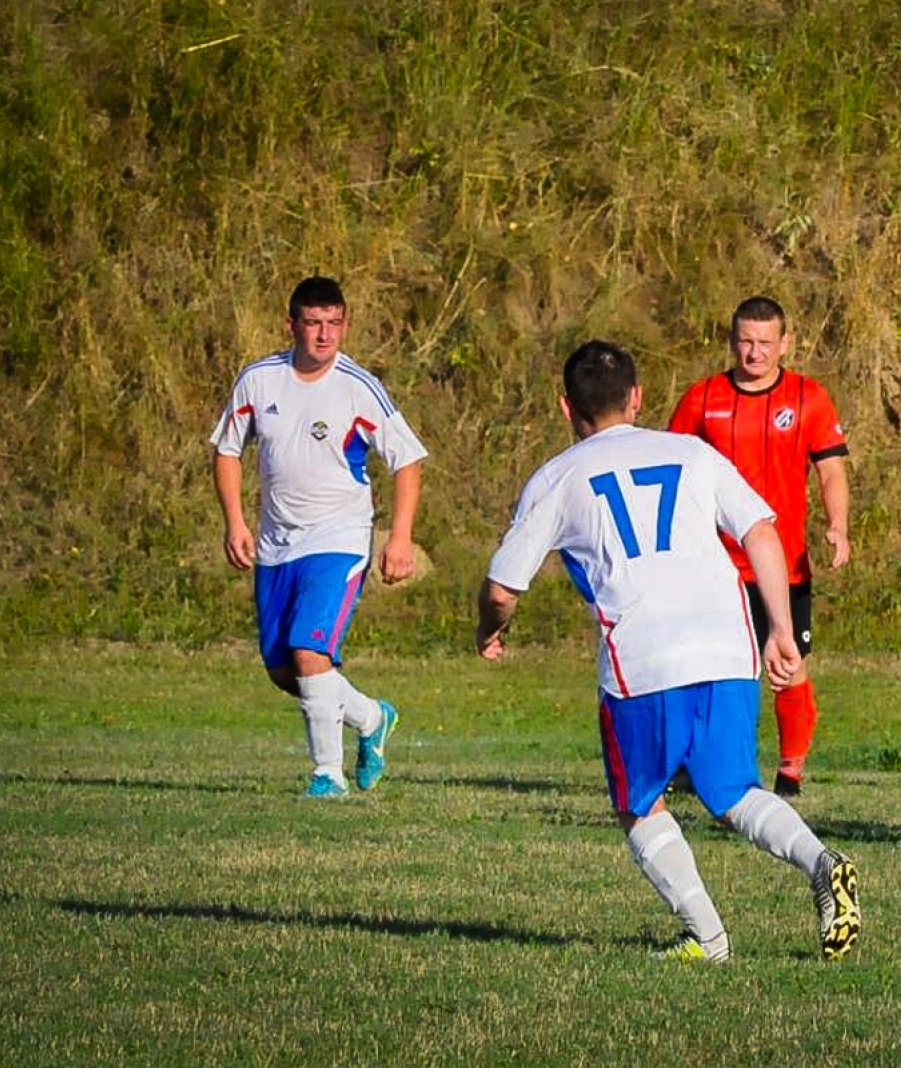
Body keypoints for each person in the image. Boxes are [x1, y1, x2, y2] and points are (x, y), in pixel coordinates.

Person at [476, 339, 861, 964]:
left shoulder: (558, 476)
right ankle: (822, 862)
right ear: (637, 399)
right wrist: (782, 631)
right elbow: (762, 532)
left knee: (639, 801)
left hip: (642, 657)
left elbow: (501, 589)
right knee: (734, 790)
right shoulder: (692, 452)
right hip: (727, 642)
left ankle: (707, 937)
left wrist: (487, 630)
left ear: (565, 407)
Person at [210, 276, 425, 797]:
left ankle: (326, 776)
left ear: (345, 324)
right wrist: (235, 521)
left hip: (339, 537)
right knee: (285, 669)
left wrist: (398, 539)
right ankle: (372, 718)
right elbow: (227, 450)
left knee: (310, 652)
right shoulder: (259, 380)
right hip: (276, 542)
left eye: (334, 323)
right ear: (292, 326)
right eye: (313, 323)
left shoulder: (358, 386)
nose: (324, 335)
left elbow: (408, 459)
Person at [667, 296, 850, 797]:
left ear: (785, 343)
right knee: (706, 665)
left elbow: (831, 468)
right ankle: (694, 762)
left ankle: (791, 767)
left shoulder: (808, 398)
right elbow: (671, 473)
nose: (754, 353)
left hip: (782, 563)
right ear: (731, 342)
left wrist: (838, 523)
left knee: (788, 663)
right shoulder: (702, 399)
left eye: (765, 343)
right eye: (746, 342)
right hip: (714, 565)